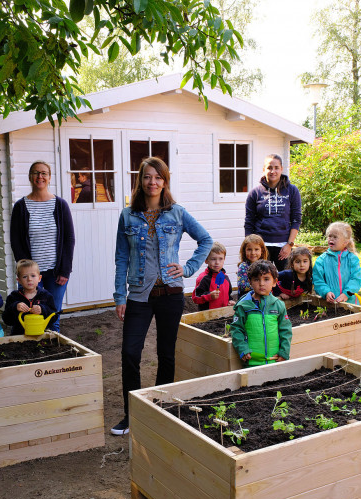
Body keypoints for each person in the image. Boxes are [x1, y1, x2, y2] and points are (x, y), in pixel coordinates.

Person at [112, 157, 213, 435]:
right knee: (130, 353)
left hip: (171, 293)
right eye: (147, 177)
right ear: (140, 181)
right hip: (139, 297)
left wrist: (189, 268)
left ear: (164, 181)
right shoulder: (127, 215)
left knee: (166, 354)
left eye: (157, 177)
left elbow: (205, 240)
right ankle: (131, 415)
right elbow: (122, 258)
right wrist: (120, 296)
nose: (152, 182)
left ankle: (163, 409)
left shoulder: (177, 213)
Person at [11, 160, 75, 333]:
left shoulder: (60, 205)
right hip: (30, 275)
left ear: (49, 177)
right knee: (27, 315)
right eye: (36, 173)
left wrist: (65, 270)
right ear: (30, 177)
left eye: (44, 173)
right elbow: (15, 240)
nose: (40, 176)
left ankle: (52, 353)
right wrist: (26, 271)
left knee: (51, 316)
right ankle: (28, 354)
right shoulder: (20, 206)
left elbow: (69, 239)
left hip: (55, 273)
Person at [244, 154, 302, 271]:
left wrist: (289, 244)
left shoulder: (292, 190)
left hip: (283, 247)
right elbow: (249, 222)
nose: (273, 171)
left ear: (281, 169)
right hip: (261, 247)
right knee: (262, 281)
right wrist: (252, 247)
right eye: (269, 167)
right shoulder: (255, 193)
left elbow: (296, 219)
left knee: (285, 282)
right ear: (264, 170)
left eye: (276, 168)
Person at [230, 260, 292, 366]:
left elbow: (285, 331)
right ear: (250, 282)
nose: (261, 283)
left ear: (274, 282)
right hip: (251, 363)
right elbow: (236, 330)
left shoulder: (278, 305)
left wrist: (284, 352)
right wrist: (243, 349)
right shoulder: (243, 306)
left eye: (266, 279)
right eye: (256, 279)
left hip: (275, 361)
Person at [3, 259, 57, 336]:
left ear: (39, 278)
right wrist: (15, 307)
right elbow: (7, 320)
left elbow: (54, 317)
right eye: (25, 276)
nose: (29, 279)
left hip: (41, 335)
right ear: (19, 280)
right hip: (18, 336)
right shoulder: (14, 297)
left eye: (33, 275)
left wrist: (42, 309)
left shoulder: (46, 295)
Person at [313, 222, 361, 304]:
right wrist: (326, 292)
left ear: (345, 242)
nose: (331, 239)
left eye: (335, 237)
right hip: (329, 304)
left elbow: (355, 279)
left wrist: (346, 294)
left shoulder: (352, 259)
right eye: (329, 236)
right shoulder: (321, 260)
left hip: (350, 303)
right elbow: (318, 280)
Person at [192, 242, 234, 311]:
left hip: (224, 315)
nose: (217, 262)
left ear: (224, 259)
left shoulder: (225, 278)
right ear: (206, 260)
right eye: (213, 259)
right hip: (208, 318)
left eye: (220, 259)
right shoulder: (203, 278)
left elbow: (228, 295)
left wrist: (230, 301)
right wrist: (209, 296)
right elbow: (195, 298)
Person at [237, 234, 268, 301]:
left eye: (256, 249)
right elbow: (242, 286)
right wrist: (260, 286)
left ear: (262, 251)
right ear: (244, 251)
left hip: (263, 300)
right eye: (249, 249)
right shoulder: (243, 266)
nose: (253, 253)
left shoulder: (266, 266)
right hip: (246, 301)